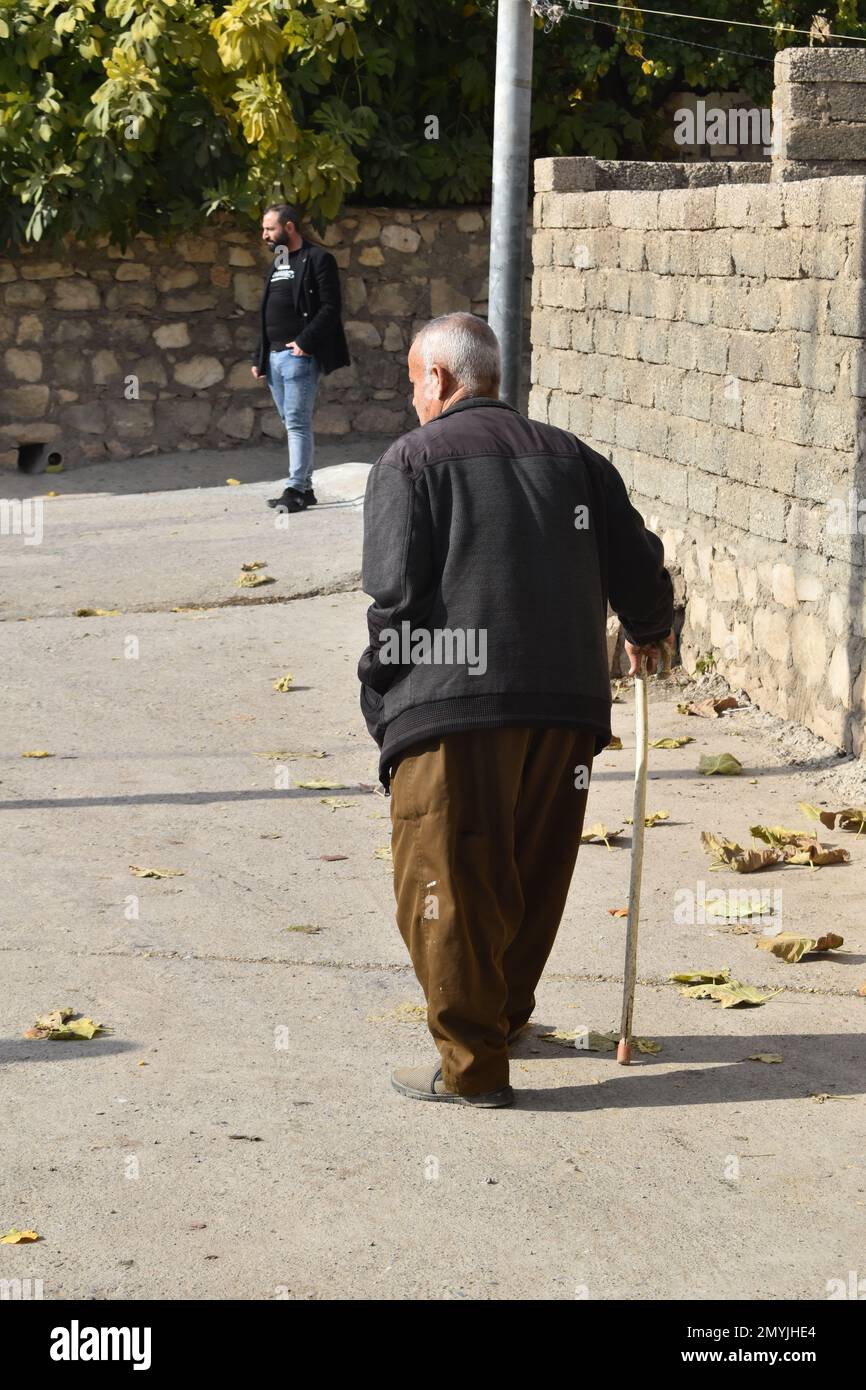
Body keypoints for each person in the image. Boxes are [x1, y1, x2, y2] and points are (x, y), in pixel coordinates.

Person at [358, 312, 674, 1108]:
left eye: (412, 383)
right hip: (563, 706)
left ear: (439, 379)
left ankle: (473, 1069)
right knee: (531, 872)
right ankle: (503, 1019)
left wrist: (382, 701)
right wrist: (649, 629)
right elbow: (637, 561)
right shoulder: (574, 458)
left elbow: (395, 602)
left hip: (453, 706)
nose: (413, 399)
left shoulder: (410, 462)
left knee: (448, 881)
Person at [251, 204, 350, 513]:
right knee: (290, 421)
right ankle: (304, 490)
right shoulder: (279, 262)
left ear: (289, 227)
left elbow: (331, 307)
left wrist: (305, 343)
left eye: (270, 229)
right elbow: (268, 313)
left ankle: (295, 488)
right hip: (275, 357)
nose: (265, 235)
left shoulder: (319, 259)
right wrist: (260, 355)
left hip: (299, 357)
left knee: (296, 422)